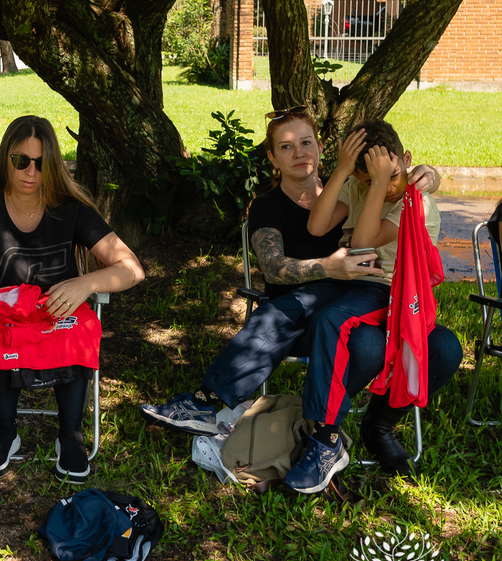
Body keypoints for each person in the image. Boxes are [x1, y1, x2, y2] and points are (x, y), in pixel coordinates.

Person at [140, 110, 459, 491]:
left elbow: (363, 240)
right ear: (272, 158)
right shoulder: (332, 190)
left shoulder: (395, 193)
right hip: (339, 292)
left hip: (390, 295)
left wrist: (405, 175)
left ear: (321, 148)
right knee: (286, 311)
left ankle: (343, 434)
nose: (298, 153)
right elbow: (310, 236)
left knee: (426, 343)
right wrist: (355, 182)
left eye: (306, 142)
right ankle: (217, 403)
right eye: (286, 147)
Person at [0, 115, 145, 483]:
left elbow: (132, 268)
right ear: (5, 158)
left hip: (54, 317)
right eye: (21, 161)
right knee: (2, 327)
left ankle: (70, 432)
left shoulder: (70, 209)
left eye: (42, 164)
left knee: (74, 323)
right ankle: (5, 429)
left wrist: (84, 285)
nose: (30, 172)